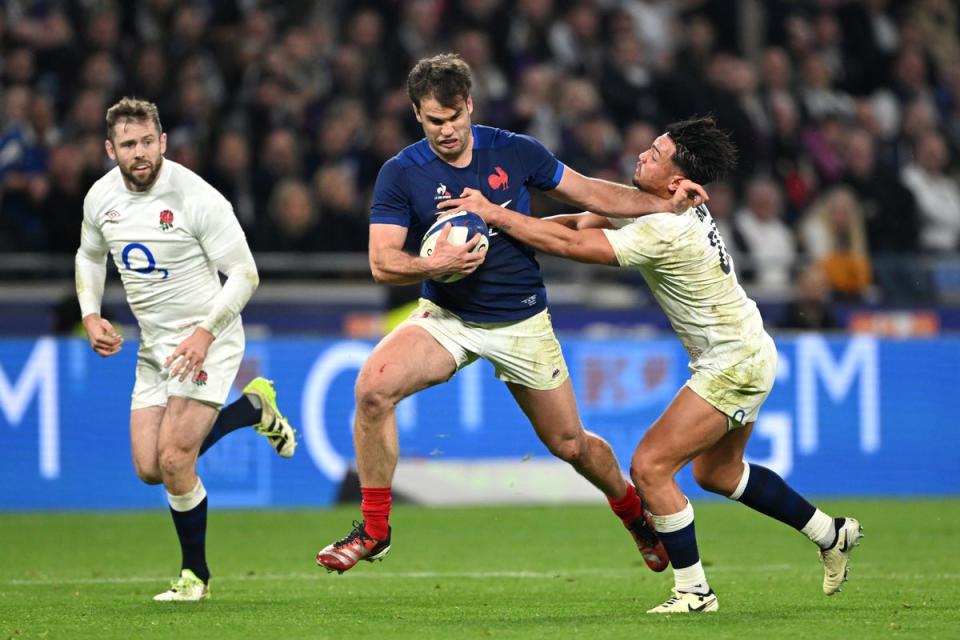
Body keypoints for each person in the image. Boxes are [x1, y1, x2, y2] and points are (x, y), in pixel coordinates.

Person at [448, 116, 863, 613]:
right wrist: (505, 230)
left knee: (649, 468)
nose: (642, 153)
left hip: (733, 362)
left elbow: (575, 246)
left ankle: (694, 593)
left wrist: (495, 216)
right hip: (748, 349)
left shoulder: (666, 227)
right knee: (718, 473)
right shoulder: (657, 205)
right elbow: (578, 222)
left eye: (655, 151)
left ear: (674, 178)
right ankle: (830, 533)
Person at [315, 54, 706, 574]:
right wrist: (438, 263)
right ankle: (375, 529)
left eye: (455, 117)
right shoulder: (400, 173)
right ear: (417, 114)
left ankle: (634, 515)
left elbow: (591, 193)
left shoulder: (515, 151)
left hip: (521, 322)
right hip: (448, 318)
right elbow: (383, 263)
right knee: (372, 388)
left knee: (570, 444)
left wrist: (662, 205)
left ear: (470, 105)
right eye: (435, 120)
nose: (448, 130)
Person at [74, 97, 297, 602]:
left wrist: (205, 333)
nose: (140, 153)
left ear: (164, 141)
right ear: (111, 149)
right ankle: (253, 409)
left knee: (176, 459)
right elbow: (89, 256)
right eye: (129, 144)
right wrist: (90, 314)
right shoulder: (99, 199)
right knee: (150, 468)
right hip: (155, 348)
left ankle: (195, 577)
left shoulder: (197, 198)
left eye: (148, 141)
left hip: (209, 339)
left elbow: (245, 274)